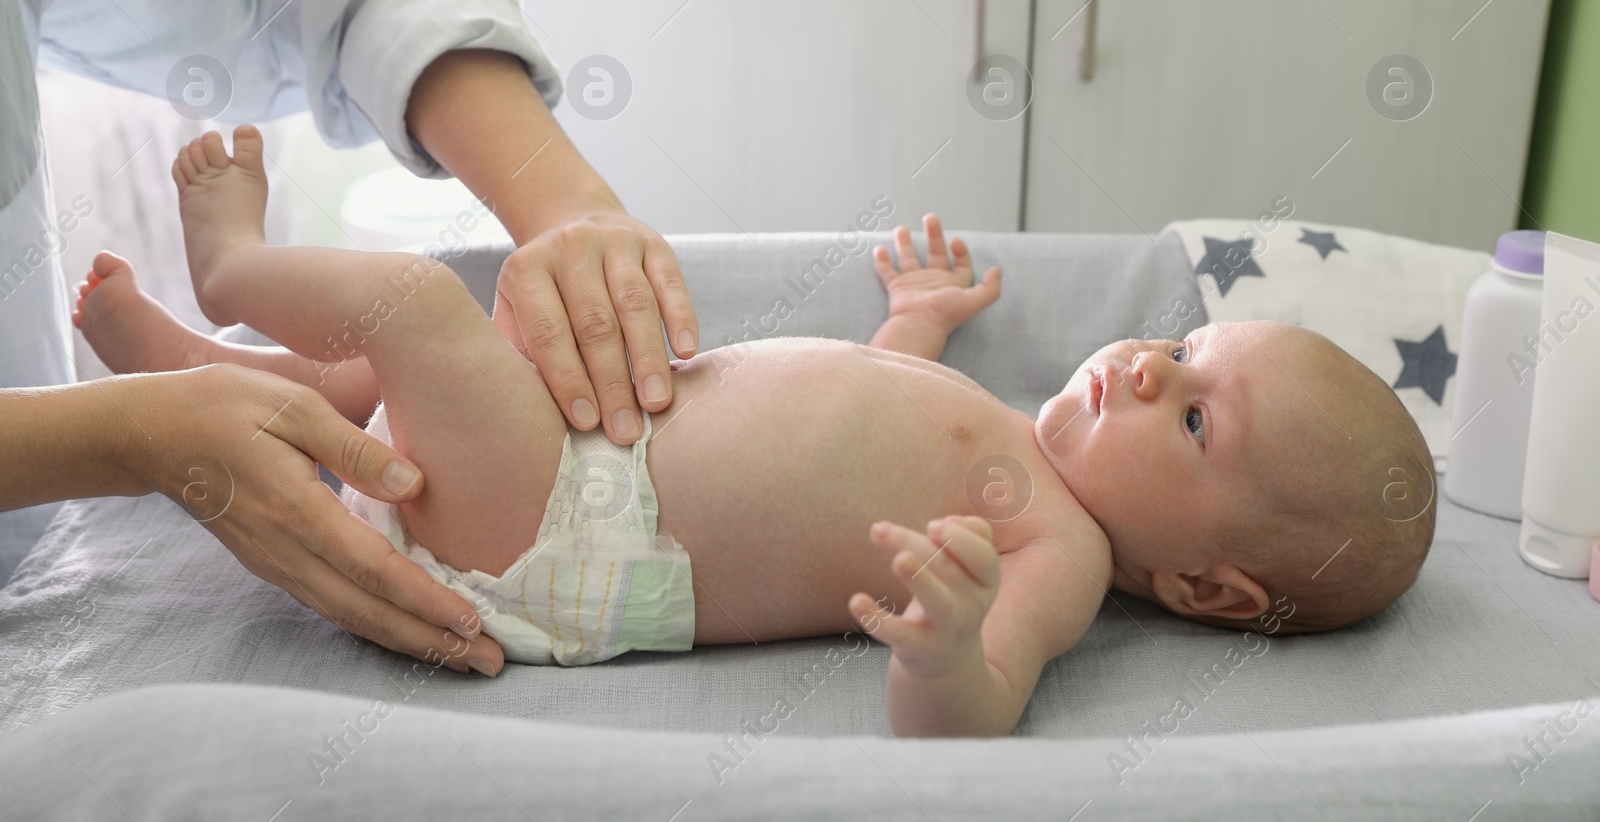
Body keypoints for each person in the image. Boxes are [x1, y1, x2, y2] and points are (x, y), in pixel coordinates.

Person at [78, 126, 1438, 731]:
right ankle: (198, 374)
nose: (1144, 364)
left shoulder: (1062, 558)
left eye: (1195, 412)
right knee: (415, 384)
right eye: (1182, 345)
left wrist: (951, 644)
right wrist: (915, 313)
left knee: (423, 307)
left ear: (1207, 584)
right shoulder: (1012, 434)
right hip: (578, 464)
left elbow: (969, 716)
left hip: (571, 530)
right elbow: (866, 397)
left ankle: (234, 270)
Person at [0, 0, 698, 676]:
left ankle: (227, 279)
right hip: (596, 507)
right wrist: (116, 436)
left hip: (575, 519)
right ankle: (180, 368)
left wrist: (565, 199)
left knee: (409, 322)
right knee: (371, 381)